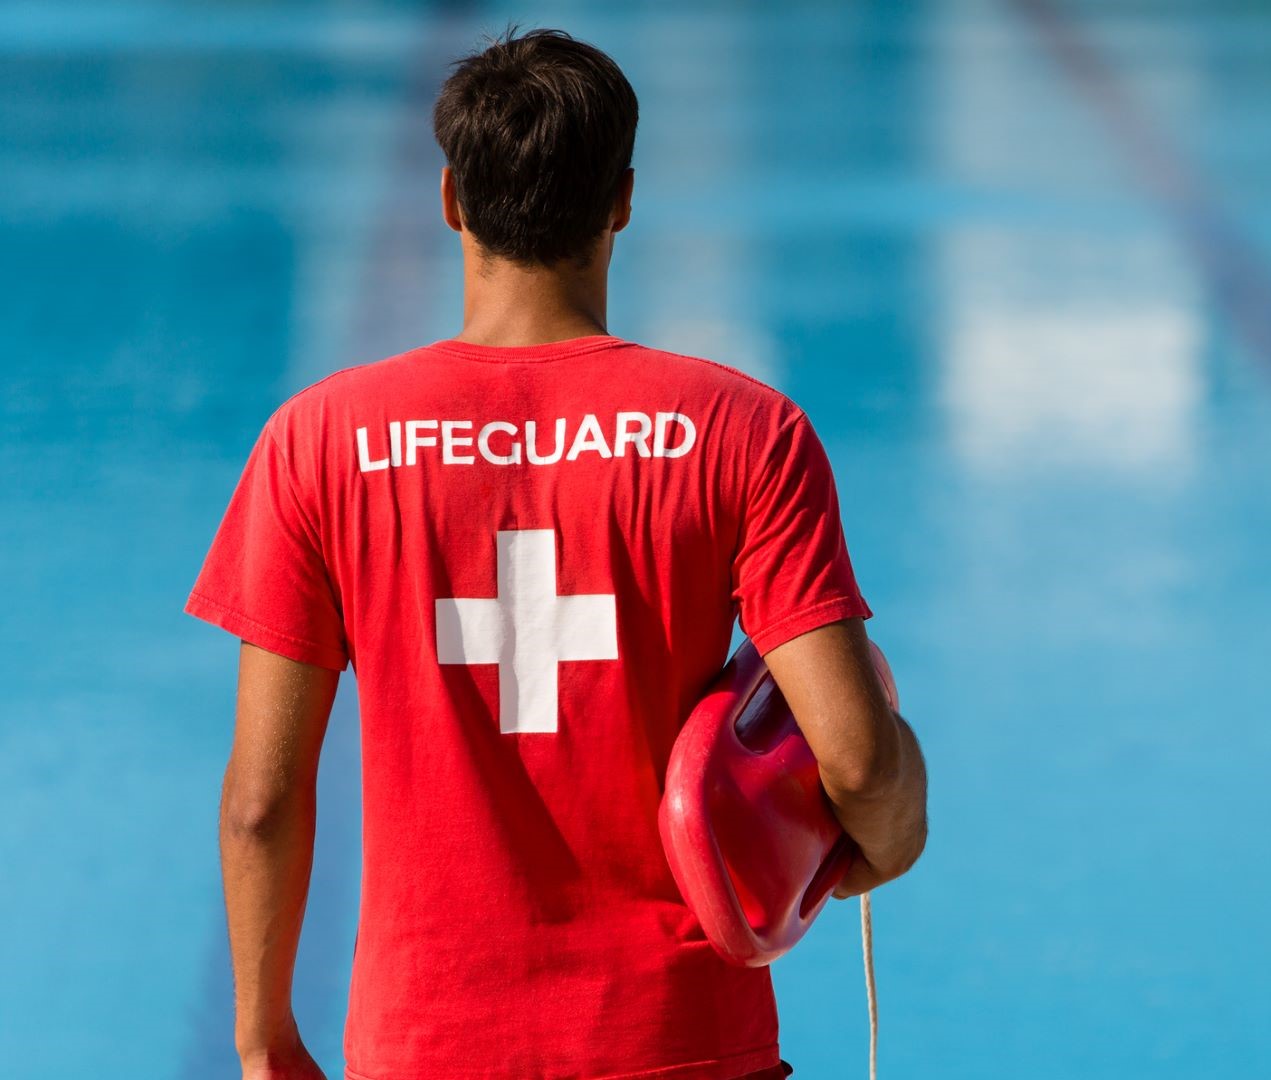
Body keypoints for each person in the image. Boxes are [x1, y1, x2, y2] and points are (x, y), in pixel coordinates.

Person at [186, 28, 928, 1080]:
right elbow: (855, 759)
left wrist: (264, 1039)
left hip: (423, 1044)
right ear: (621, 200)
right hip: (679, 1042)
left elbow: (261, 801)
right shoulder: (742, 431)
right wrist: (895, 827)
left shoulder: (319, 441)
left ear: (449, 199)